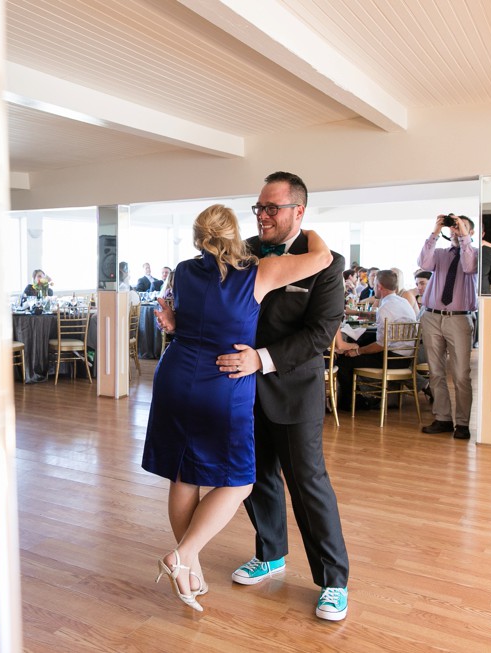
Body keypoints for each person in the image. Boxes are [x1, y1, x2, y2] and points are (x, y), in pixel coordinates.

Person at [142, 203, 332, 613]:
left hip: (175, 375)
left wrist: (174, 324)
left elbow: (187, 317)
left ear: (199, 237)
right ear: (235, 234)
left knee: (183, 473)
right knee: (240, 482)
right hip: (222, 382)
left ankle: (189, 569)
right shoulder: (258, 273)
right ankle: (183, 555)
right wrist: (308, 228)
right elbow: (322, 258)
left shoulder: (184, 271)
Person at [206, 171, 350, 621]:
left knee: (308, 484)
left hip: (292, 389)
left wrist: (262, 358)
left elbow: (321, 333)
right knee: (255, 476)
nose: (263, 216)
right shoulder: (243, 251)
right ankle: (270, 554)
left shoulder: (327, 261)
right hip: (240, 389)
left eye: (272, 208)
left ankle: (333, 581)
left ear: (298, 212)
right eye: (260, 208)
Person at [417, 213, 478, 440]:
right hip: (432, 316)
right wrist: (436, 230)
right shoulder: (440, 254)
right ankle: (442, 418)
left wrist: (463, 237)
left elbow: (469, 265)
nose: (455, 231)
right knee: (436, 371)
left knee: (461, 374)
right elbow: (423, 262)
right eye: (452, 228)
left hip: (459, 318)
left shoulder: (474, 254)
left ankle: (462, 423)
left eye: (461, 228)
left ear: (470, 232)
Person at [334, 270, 417, 410]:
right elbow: (376, 317)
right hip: (405, 357)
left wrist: (358, 351)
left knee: (344, 362)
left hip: (391, 359)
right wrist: (358, 313)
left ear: (379, 286)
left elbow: (380, 345)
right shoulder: (402, 302)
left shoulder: (386, 307)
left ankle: (353, 403)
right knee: (365, 338)